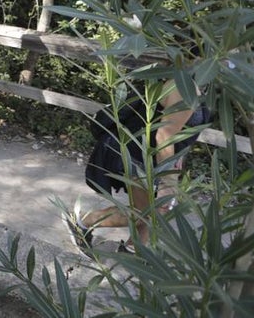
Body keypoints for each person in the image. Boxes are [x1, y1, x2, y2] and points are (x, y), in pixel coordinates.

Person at [64, 78, 207, 253]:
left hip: (151, 156)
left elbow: (179, 133)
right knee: (147, 213)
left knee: (154, 210)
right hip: (137, 155)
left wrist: (176, 164)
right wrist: (167, 182)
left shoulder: (190, 83)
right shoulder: (185, 85)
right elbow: (164, 136)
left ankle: (133, 251)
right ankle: (83, 222)